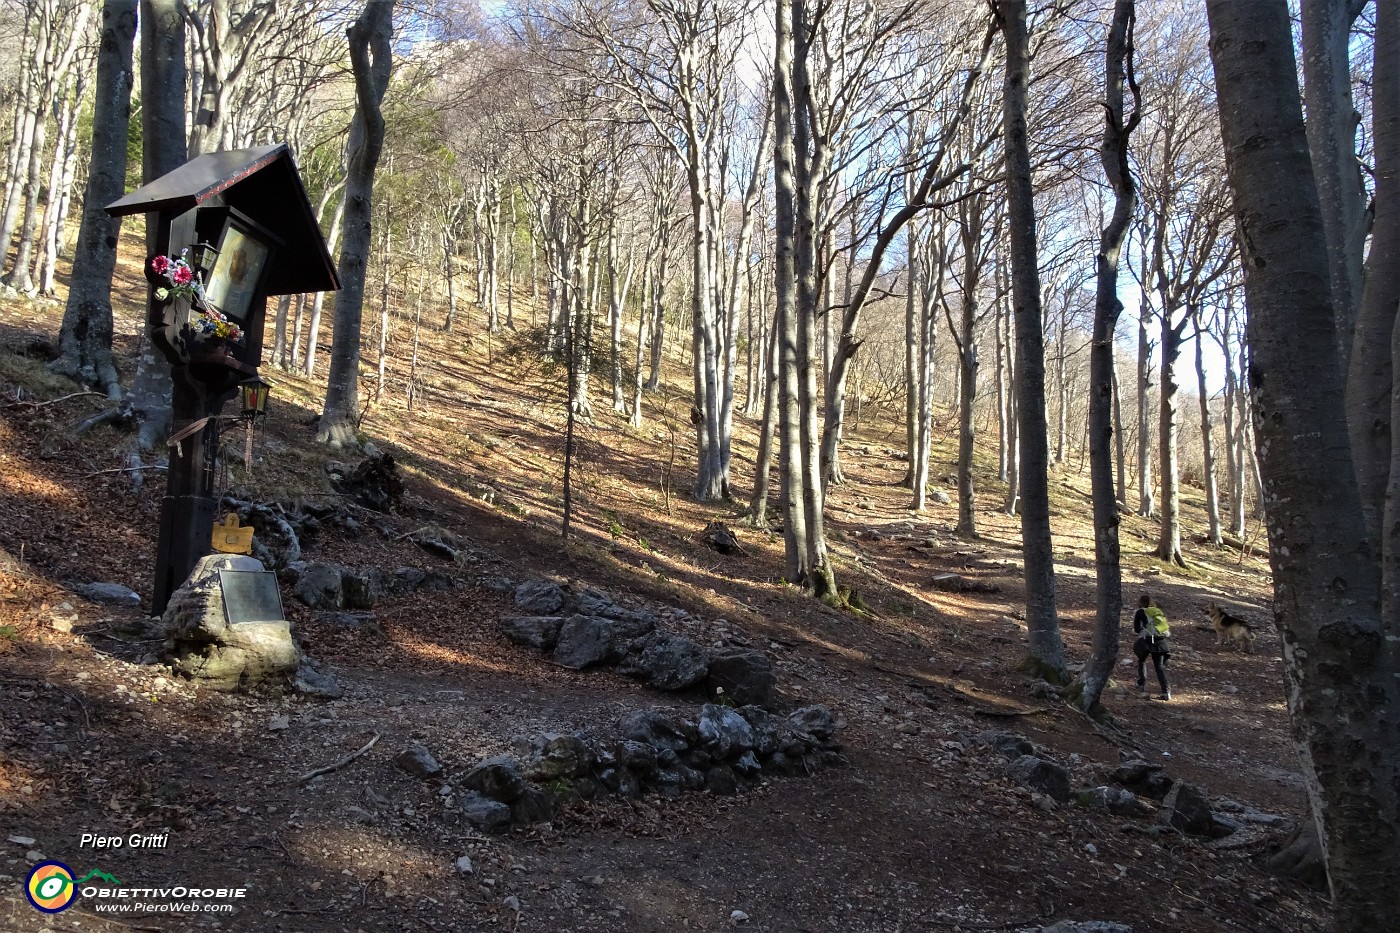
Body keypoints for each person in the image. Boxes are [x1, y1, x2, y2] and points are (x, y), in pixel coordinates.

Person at [1132, 594, 1172, 700]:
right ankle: (1166, 692)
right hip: (1160, 640)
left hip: (1148, 640)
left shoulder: (1140, 612)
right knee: (1159, 667)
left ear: (1140, 602)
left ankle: (1141, 683)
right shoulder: (1158, 612)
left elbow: (1136, 629)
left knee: (1141, 660)